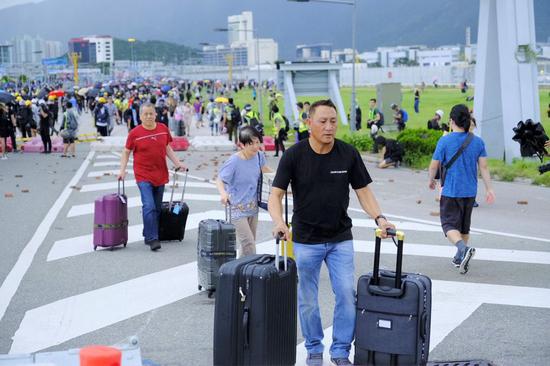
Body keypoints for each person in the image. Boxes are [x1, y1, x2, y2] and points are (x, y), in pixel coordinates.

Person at [267, 99, 395, 366]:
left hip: (340, 238)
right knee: (308, 300)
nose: (329, 127)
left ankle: (339, 352)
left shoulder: (347, 154)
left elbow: (364, 192)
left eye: (333, 121)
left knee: (347, 294)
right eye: (323, 121)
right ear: (309, 123)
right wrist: (279, 222)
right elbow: (275, 195)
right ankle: (314, 348)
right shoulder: (294, 155)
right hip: (305, 240)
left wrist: (379, 218)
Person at [428, 104, 495, 275]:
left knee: (449, 225)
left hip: (451, 191)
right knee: (464, 228)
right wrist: (489, 189)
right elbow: (484, 167)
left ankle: (462, 249)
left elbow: (434, 165)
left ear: (451, 121)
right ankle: (460, 258)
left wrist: (431, 180)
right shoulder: (478, 142)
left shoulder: (445, 140)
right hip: (470, 192)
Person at [118, 102, 186, 252]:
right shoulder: (135, 133)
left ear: (156, 114)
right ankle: (152, 238)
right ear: (141, 116)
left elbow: (167, 147)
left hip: (160, 173)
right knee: (148, 205)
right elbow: (126, 152)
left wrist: (178, 163)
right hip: (143, 174)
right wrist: (122, 170)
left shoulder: (163, 129)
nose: (149, 116)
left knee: (155, 208)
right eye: (145, 114)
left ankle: (147, 231)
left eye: (151, 113)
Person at [216, 126, 273, 257]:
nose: (255, 146)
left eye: (257, 142)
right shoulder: (234, 161)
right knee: (249, 244)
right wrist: (223, 193)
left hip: (253, 208)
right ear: (242, 145)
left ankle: (240, 273)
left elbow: (265, 170)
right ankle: (250, 272)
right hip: (237, 209)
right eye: (250, 143)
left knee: (248, 244)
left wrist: (283, 179)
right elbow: (219, 179)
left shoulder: (259, 156)